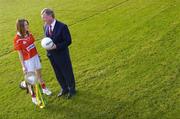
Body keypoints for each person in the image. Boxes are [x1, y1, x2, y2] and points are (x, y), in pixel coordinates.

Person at [13, 19, 52, 105]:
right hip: (27, 61)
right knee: (31, 80)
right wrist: (23, 66)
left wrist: (37, 56)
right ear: (20, 27)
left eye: (27, 24)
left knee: (39, 75)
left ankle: (44, 89)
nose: (27, 26)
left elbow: (33, 46)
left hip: (35, 57)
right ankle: (33, 97)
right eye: (25, 25)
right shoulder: (17, 39)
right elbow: (20, 54)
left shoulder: (29, 34)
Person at [41, 8, 76, 99]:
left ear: (50, 16)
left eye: (44, 17)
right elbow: (47, 40)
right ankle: (64, 88)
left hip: (62, 54)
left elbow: (68, 41)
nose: (43, 19)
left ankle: (72, 90)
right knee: (58, 72)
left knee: (67, 72)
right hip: (51, 55)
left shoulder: (62, 26)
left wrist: (57, 46)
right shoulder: (45, 26)